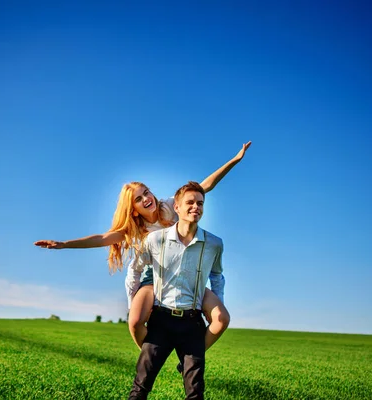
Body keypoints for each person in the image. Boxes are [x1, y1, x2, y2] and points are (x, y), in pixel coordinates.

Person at [34, 141, 250, 352]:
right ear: (134, 209)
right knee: (135, 321)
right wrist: (64, 244)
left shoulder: (169, 206)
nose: (147, 198)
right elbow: (101, 238)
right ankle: (151, 356)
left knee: (222, 318)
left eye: (146, 192)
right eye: (139, 198)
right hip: (154, 274)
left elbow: (205, 186)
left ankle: (190, 357)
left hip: (187, 273)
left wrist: (235, 160)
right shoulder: (135, 227)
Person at [129, 181, 222, 399]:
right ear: (176, 207)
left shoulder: (214, 244)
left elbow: (217, 275)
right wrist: (133, 301)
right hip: (161, 321)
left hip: (192, 323)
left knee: (195, 393)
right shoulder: (155, 239)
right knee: (140, 388)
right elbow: (135, 270)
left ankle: (186, 359)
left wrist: (218, 302)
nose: (195, 207)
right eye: (190, 202)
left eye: (200, 203)